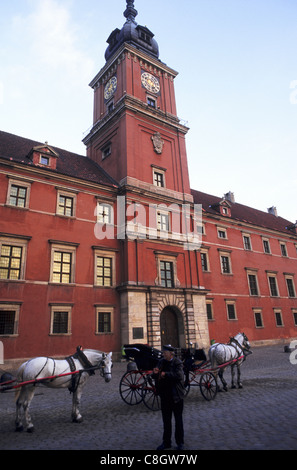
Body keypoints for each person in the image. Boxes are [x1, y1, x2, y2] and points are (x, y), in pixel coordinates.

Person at [152, 345, 185, 450]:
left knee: (178, 420)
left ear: (171, 353)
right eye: (163, 352)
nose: (163, 354)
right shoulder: (161, 362)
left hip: (176, 396)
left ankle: (180, 443)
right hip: (165, 396)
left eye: (165, 352)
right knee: (166, 421)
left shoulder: (177, 362)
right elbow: (156, 376)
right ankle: (166, 443)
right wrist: (155, 373)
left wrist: (166, 374)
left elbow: (179, 376)